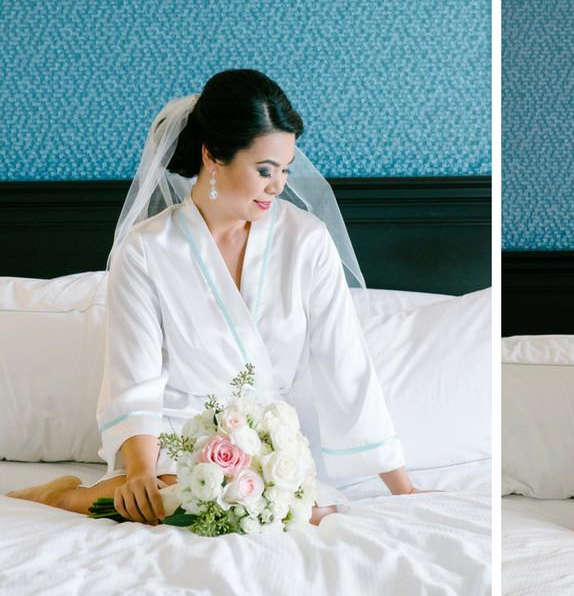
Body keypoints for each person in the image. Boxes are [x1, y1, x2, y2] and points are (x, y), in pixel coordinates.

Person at [7, 69, 418, 527]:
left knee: (308, 512)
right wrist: (141, 472)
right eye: (264, 170)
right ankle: (69, 498)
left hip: (265, 440)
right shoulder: (146, 249)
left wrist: (403, 489)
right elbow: (134, 372)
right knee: (181, 501)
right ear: (213, 157)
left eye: (285, 169)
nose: (278, 185)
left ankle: (90, 497)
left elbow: (346, 364)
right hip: (175, 437)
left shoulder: (307, 241)